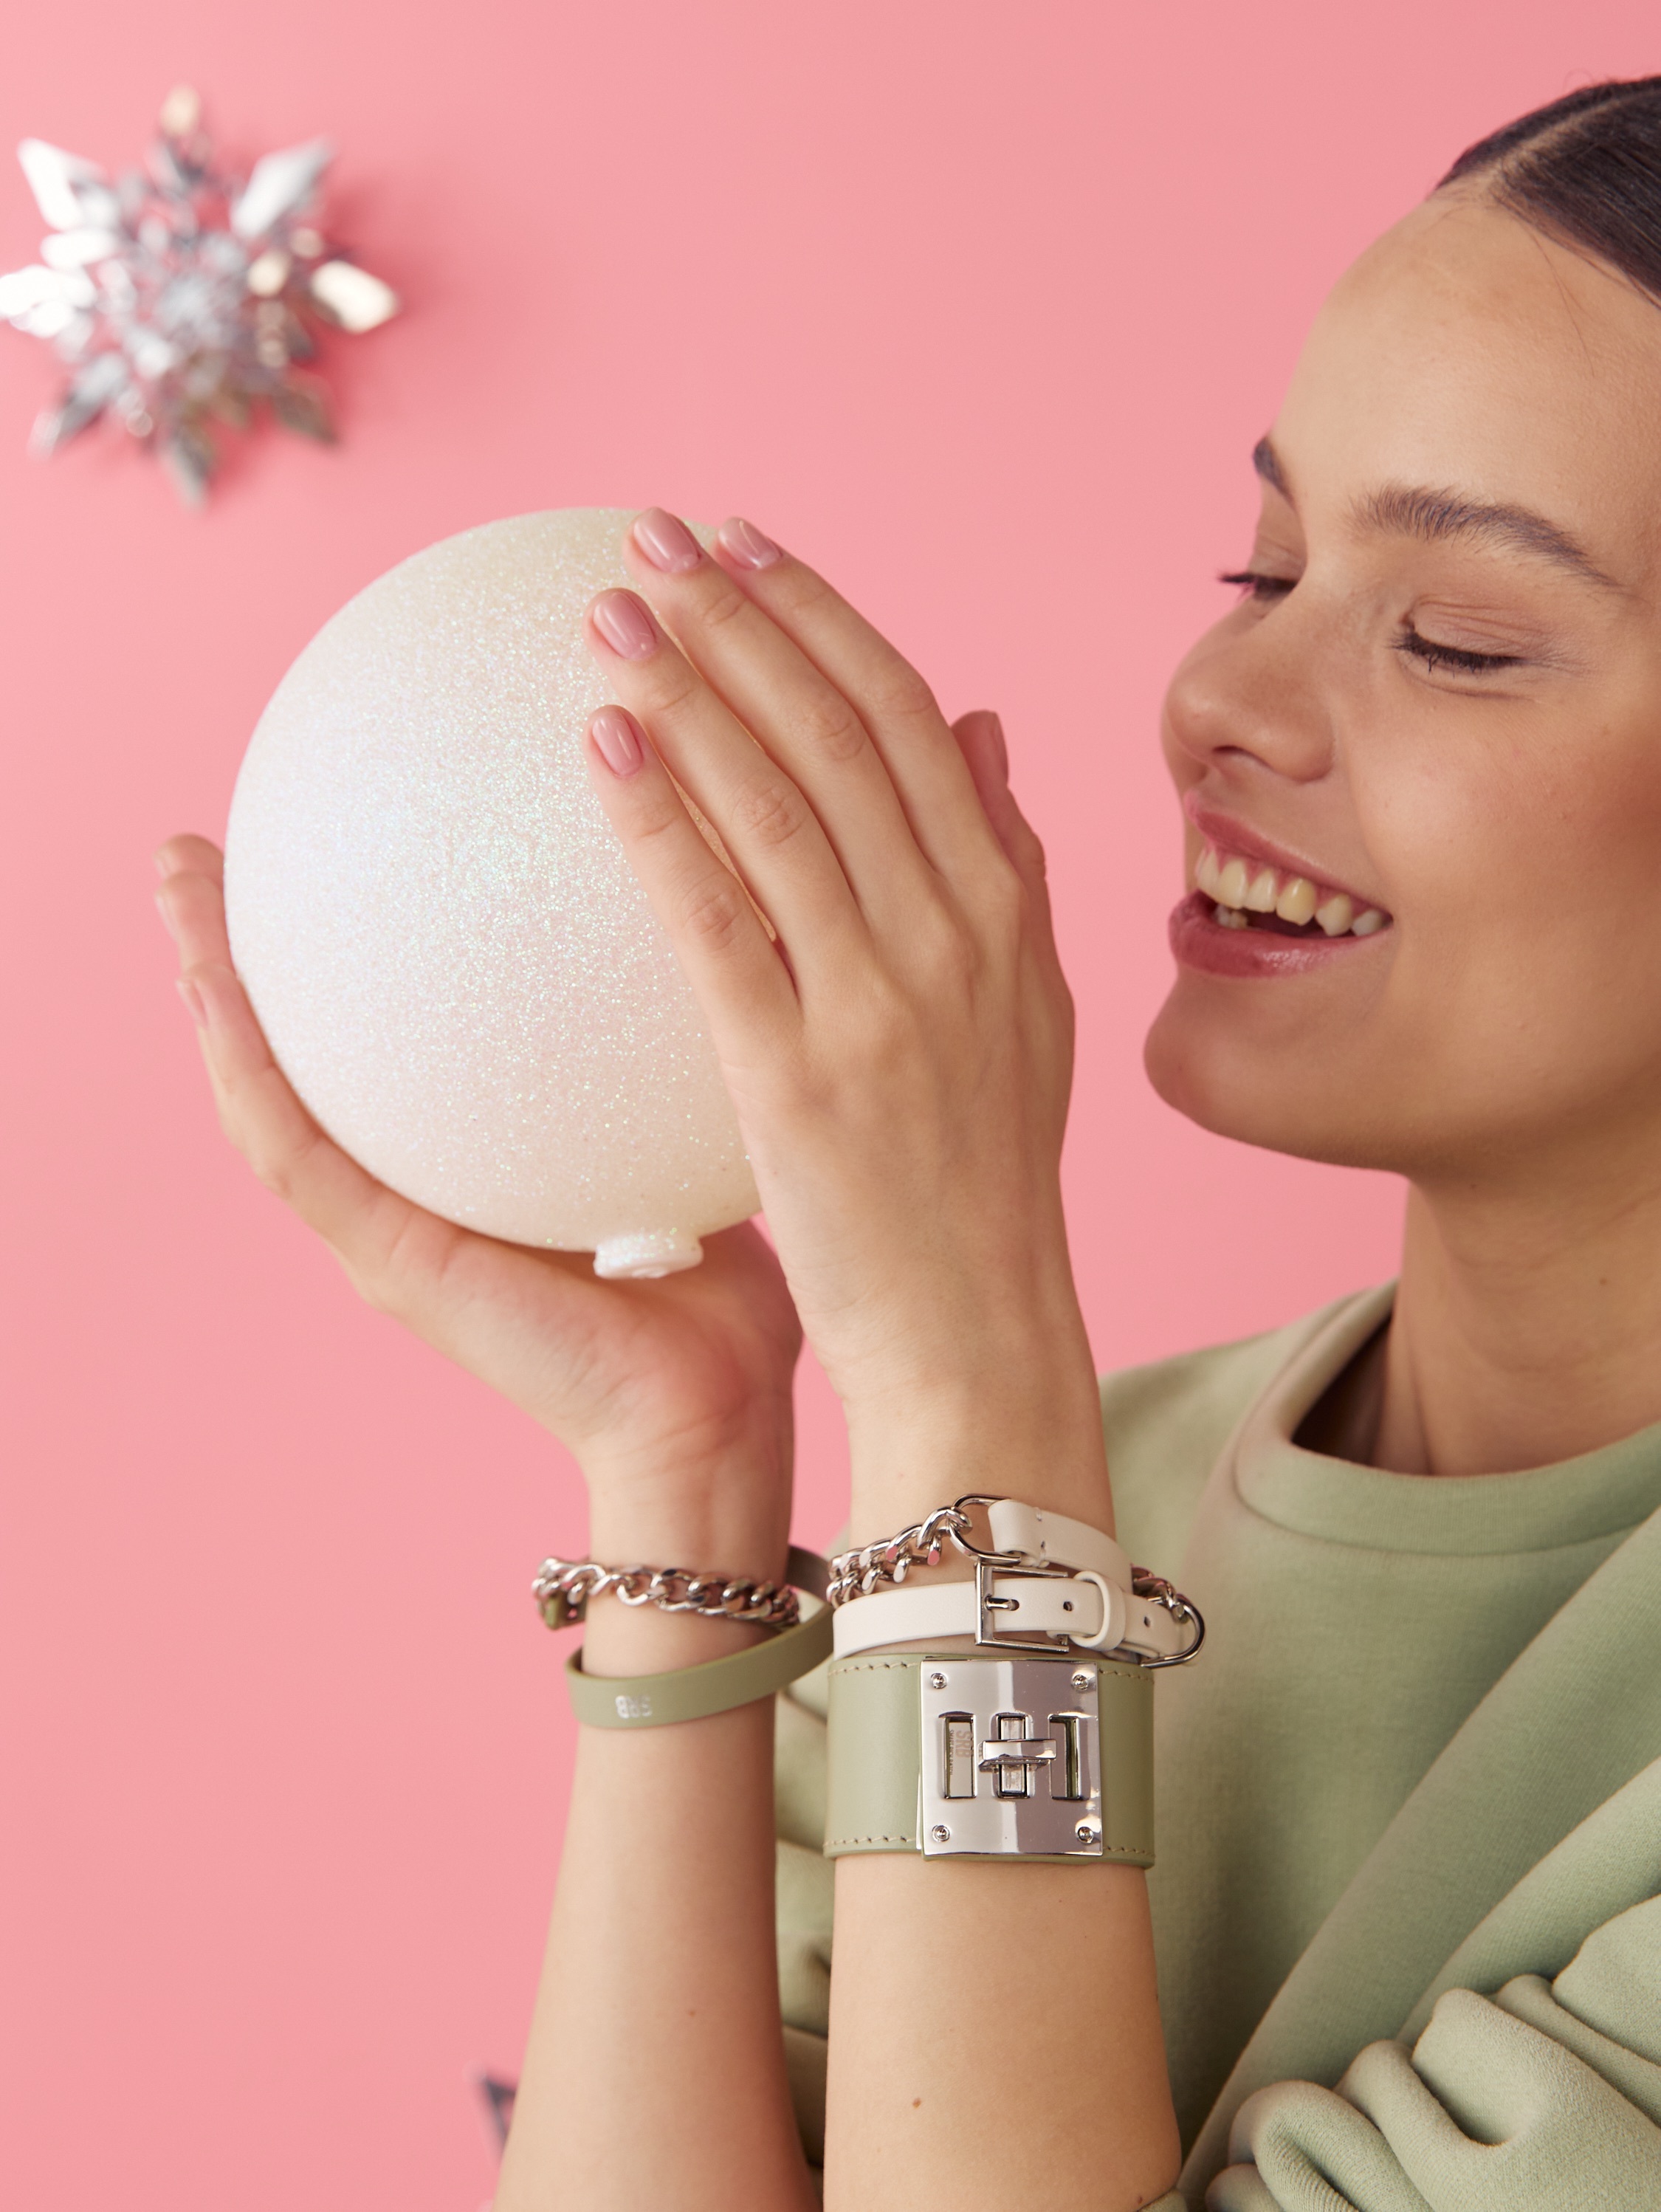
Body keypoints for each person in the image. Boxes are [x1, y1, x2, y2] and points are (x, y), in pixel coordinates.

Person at [154, 75, 1661, 2211]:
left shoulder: (990, 1495)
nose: (1215, 696)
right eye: (1263, 563)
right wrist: (687, 1483)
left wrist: (962, 1375)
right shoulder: (1033, 1500)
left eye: (1456, 639)